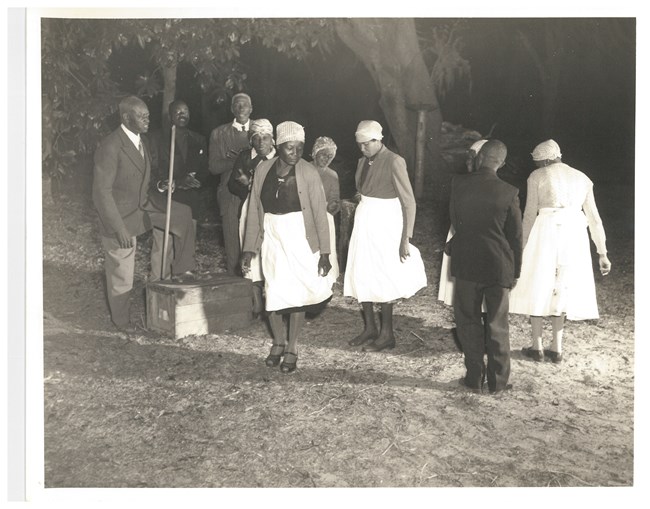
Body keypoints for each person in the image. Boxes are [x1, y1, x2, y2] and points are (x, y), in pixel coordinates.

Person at [92, 96, 197, 335]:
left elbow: (143, 181)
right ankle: (121, 322)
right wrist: (119, 228)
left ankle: (182, 269)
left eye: (148, 115)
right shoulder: (110, 146)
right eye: (142, 116)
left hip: (143, 206)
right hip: (119, 217)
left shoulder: (142, 141)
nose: (147, 119)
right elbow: (101, 193)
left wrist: (161, 185)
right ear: (126, 118)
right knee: (122, 273)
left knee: (182, 214)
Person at [242, 121, 334, 374]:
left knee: (296, 295)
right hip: (272, 233)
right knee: (274, 290)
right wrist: (250, 247)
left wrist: (324, 252)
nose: (295, 152)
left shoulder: (308, 172)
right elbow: (254, 209)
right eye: (289, 148)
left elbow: (319, 214)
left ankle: (292, 347)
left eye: (300, 148)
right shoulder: (263, 170)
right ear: (278, 146)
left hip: (300, 236)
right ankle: (278, 341)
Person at [509, 139, 611, 363]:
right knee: (562, 284)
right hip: (574, 234)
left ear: (545, 160)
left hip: (545, 231)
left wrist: (521, 247)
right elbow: (594, 218)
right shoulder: (582, 178)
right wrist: (601, 251)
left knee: (538, 282)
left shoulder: (537, 176)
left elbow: (529, 215)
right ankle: (557, 347)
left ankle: (537, 346)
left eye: (538, 163)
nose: (538, 167)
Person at [344, 120, 427, 352]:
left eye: (366, 144)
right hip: (365, 222)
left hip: (386, 223)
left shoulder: (394, 161)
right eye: (359, 145)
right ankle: (370, 327)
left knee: (383, 276)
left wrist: (405, 238)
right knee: (363, 271)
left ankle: (387, 333)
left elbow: (408, 202)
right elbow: (365, 189)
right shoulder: (363, 161)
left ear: (378, 139)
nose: (362, 149)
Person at [449, 139, 522, 394]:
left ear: (480, 158)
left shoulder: (459, 184)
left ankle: (473, 378)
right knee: (497, 324)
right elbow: (515, 238)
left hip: (467, 262)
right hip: (498, 266)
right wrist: (516, 271)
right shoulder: (509, 192)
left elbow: (456, 223)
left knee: (468, 322)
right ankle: (498, 383)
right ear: (501, 163)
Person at [148, 99, 208, 280]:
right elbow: (153, 168)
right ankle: (159, 283)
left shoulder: (198, 139)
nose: (183, 115)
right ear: (170, 116)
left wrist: (195, 180)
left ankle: (180, 283)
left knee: (185, 244)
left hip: (190, 200)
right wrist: (170, 182)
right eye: (178, 112)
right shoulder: (157, 138)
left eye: (186, 111)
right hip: (166, 198)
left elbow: (204, 170)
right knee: (163, 245)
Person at [227, 118, 276, 315]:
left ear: (272, 139)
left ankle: (273, 299)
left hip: (274, 210)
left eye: (266, 138)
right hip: (251, 210)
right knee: (251, 253)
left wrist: (254, 183)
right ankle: (256, 302)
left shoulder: (281, 157)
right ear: (251, 140)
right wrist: (248, 187)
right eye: (257, 138)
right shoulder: (245, 157)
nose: (262, 142)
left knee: (272, 252)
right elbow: (232, 184)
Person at [438, 138, 488, 306]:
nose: (469, 160)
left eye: (473, 156)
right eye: (469, 156)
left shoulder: (490, 182)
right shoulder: (462, 181)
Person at [209, 92, 254, 275]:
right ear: (232, 109)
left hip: (254, 191)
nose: (241, 108)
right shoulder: (219, 133)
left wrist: (242, 159)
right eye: (237, 104)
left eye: (245, 104)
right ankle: (236, 284)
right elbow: (213, 167)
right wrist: (237, 161)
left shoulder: (261, 130)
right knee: (232, 239)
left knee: (255, 237)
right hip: (229, 191)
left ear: (251, 109)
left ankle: (257, 287)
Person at [311, 136, 341, 282]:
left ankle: (324, 283)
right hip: (305, 215)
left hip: (324, 218)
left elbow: (335, 199)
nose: (326, 158)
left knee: (325, 249)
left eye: (330, 156)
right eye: (323, 154)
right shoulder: (304, 169)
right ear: (315, 153)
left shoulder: (332, 175)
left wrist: (333, 205)